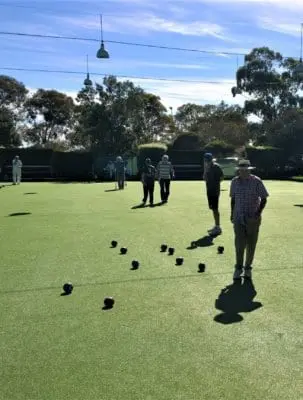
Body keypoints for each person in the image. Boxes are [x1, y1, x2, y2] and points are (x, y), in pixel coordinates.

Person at [230, 159, 269, 281]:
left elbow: (264, 198)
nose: (243, 172)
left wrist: (257, 213)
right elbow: (233, 199)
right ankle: (238, 268)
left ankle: (247, 268)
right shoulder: (234, 182)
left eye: (246, 170)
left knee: (251, 245)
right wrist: (232, 214)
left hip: (253, 218)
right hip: (238, 217)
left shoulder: (256, 181)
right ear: (239, 171)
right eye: (241, 170)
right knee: (239, 244)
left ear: (249, 170)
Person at [203, 153, 224, 236]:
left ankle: (218, 227)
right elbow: (204, 179)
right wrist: (205, 170)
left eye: (207, 160)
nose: (206, 161)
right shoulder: (207, 167)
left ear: (211, 159)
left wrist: (216, 183)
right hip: (209, 191)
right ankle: (216, 225)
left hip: (215, 191)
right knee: (212, 208)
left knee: (215, 209)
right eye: (205, 160)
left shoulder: (216, 167)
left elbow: (222, 177)